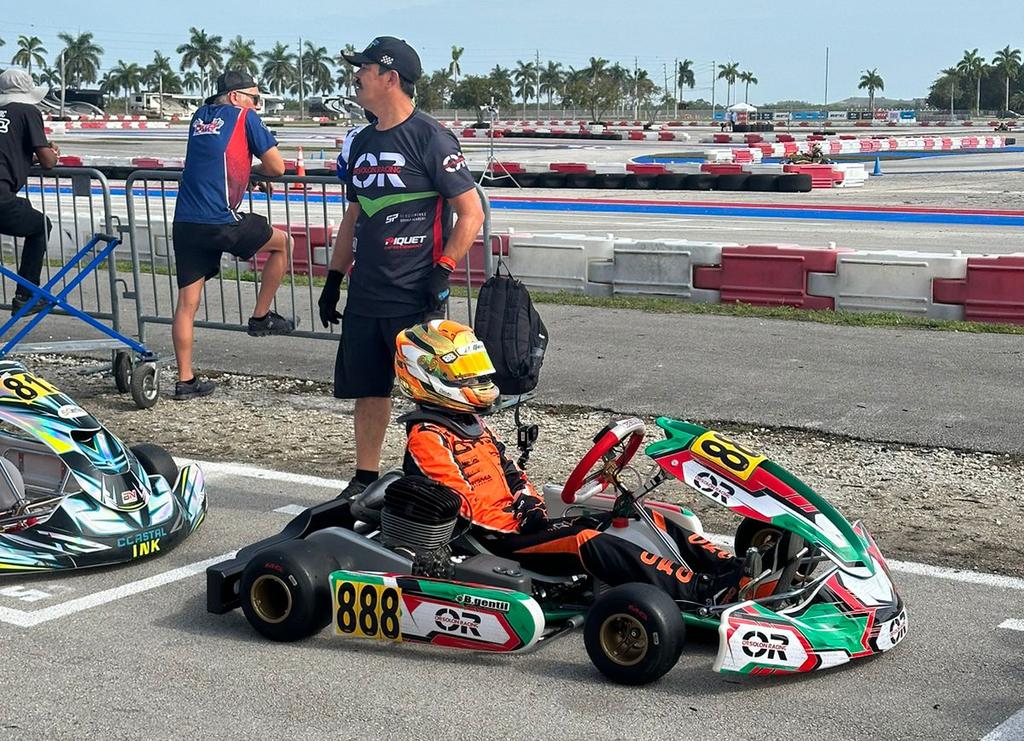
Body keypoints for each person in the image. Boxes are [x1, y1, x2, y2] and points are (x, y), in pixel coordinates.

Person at [392, 319, 745, 606]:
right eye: (466, 375)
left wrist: (529, 503)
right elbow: (464, 507)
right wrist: (521, 522)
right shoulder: (428, 435)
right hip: (498, 539)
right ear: (426, 375)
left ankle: (731, 568)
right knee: (587, 539)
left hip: (524, 523)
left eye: (475, 372)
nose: (477, 381)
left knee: (637, 514)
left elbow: (513, 473)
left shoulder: (471, 423)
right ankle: (702, 591)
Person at [318, 37, 484, 497]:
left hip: (414, 291)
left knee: (429, 395)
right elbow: (353, 215)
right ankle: (364, 479)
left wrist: (443, 270)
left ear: (390, 78)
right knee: (369, 389)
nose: (355, 75)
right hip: (366, 290)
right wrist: (334, 279)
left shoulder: (431, 137)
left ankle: (424, 480)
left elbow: (471, 213)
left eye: (364, 68)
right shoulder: (362, 141)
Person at [171, 70, 296, 401]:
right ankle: (261, 317)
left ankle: (185, 380)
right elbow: (277, 167)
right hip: (220, 220)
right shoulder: (244, 116)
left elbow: (217, 160)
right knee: (284, 244)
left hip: (185, 220)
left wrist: (245, 174)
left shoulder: (199, 116)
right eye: (255, 98)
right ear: (238, 97)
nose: (257, 105)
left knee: (187, 304)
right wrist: (256, 172)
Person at [0, 69, 59, 314]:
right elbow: (48, 161)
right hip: (2, 196)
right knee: (40, 226)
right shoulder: (28, 111)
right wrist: (51, 152)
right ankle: (26, 294)